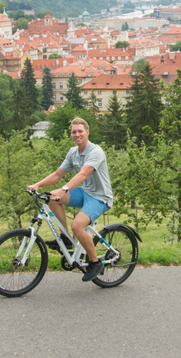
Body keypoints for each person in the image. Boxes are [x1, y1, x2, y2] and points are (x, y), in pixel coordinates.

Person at [27, 117, 113, 282]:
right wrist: (37, 184)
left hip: (100, 198)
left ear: (87, 132)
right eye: (74, 132)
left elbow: (83, 174)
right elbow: (58, 175)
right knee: (52, 198)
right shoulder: (73, 152)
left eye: (80, 131)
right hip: (85, 192)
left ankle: (95, 263)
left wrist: (64, 189)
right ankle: (66, 238)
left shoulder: (96, 151)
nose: (77, 134)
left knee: (77, 225)